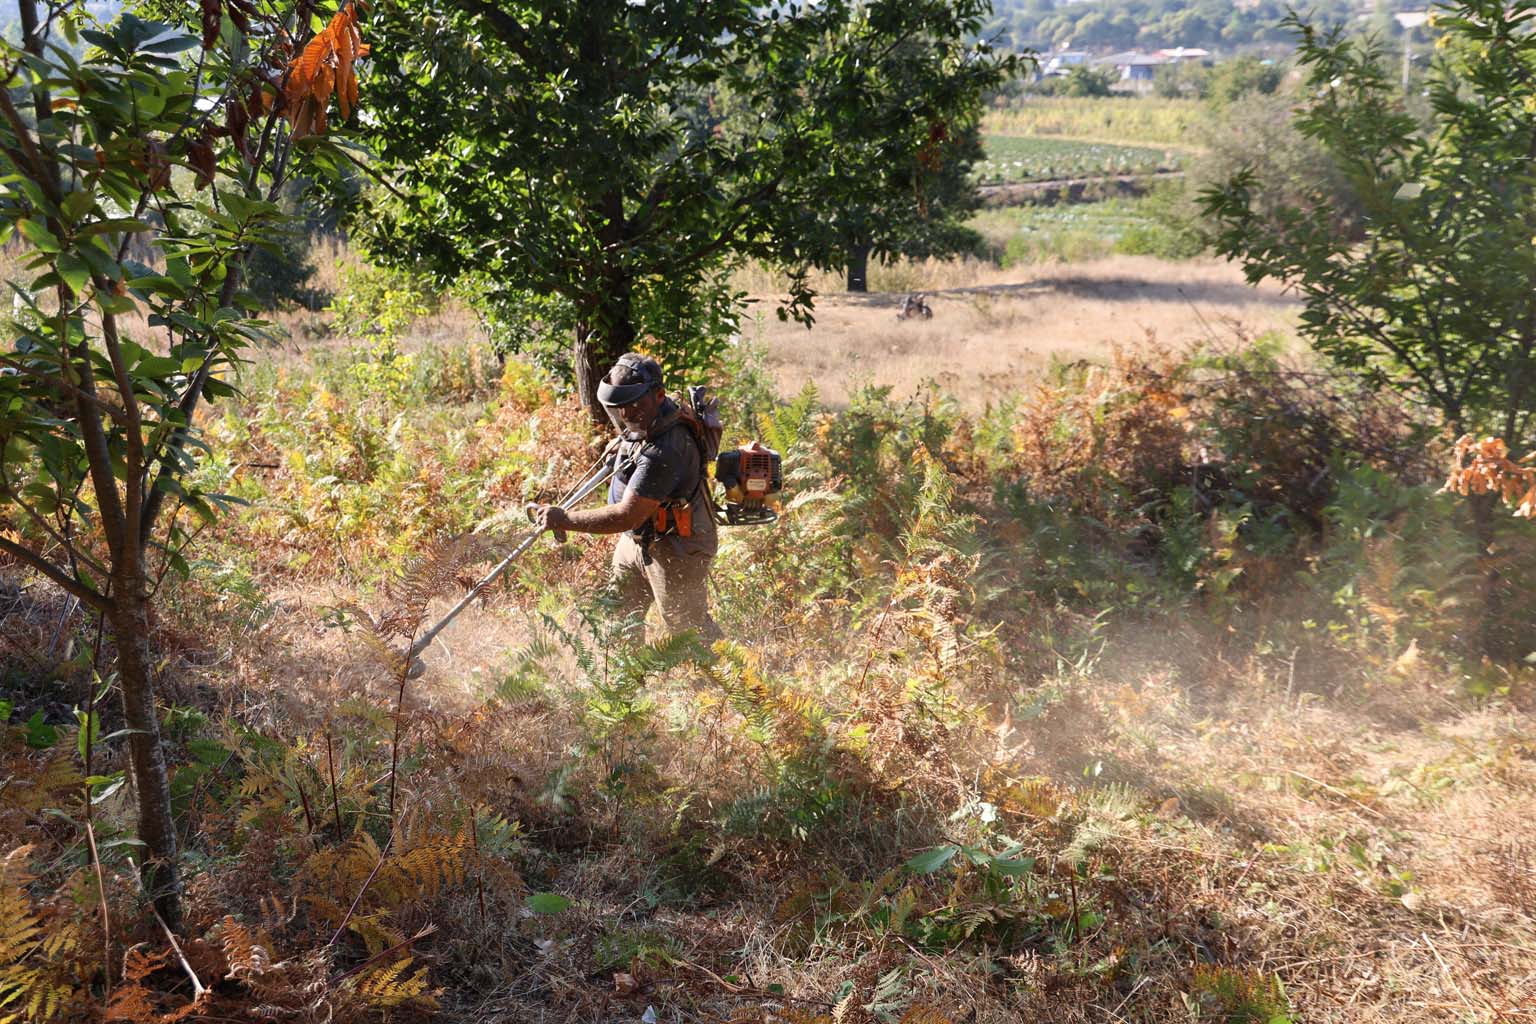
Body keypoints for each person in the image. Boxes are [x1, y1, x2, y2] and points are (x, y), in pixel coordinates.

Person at [530, 353, 721, 639]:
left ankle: (743, 683)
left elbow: (625, 515)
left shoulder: (665, 450)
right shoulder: (647, 421)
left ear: (659, 395)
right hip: (637, 540)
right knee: (619, 623)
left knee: (689, 635)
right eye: (618, 408)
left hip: (677, 548)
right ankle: (626, 682)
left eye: (633, 407)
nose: (626, 415)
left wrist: (565, 519)